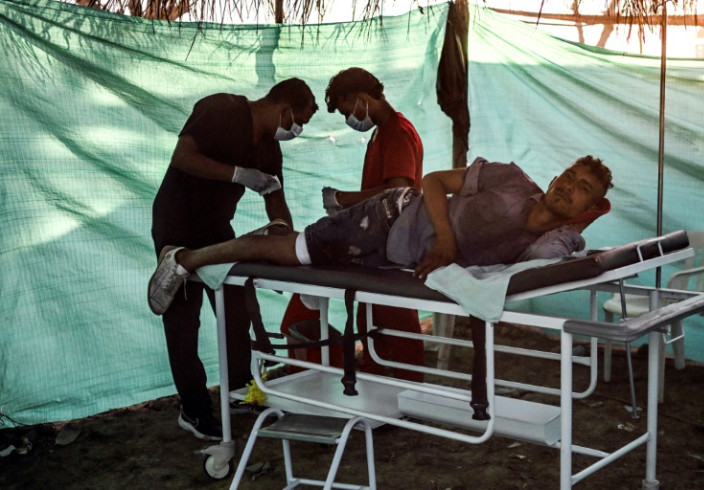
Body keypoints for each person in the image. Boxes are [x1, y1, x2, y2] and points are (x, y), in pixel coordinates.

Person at [149, 154, 613, 320]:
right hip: (388, 218)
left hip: (396, 257)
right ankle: (186, 259)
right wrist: (446, 242)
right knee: (291, 254)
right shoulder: (510, 178)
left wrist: (589, 216)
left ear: (587, 209)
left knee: (299, 256)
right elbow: (430, 181)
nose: (568, 186)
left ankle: (279, 235)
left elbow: (566, 243)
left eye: (582, 190)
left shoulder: (540, 246)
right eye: (568, 175)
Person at [149, 78, 318, 441]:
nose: (296, 130)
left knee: (236, 308)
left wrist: (283, 233)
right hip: (176, 223)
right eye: (296, 121)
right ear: (282, 108)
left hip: (215, 227)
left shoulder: (270, 149)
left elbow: (275, 197)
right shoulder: (221, 109)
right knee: (183, 319)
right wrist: (238, 175)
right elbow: (183, 157)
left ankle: (239, 391)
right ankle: (194, 410)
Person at [280, 67, 425, 381]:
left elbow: (399, 193)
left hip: (394, 248)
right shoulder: (381, 133)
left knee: (393, 321)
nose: (349, 118)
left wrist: (345, 200)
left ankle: (408, 392)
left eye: (347, 110)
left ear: (362, 99)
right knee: (371, 320)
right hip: (379, 245)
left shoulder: (398, 132)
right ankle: (381, 387)